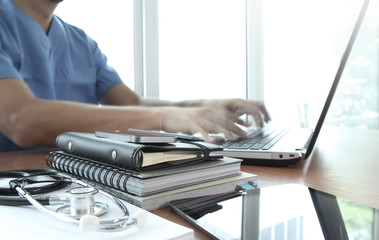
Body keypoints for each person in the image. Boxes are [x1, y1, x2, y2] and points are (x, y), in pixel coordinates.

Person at [0, 0, 270, 152]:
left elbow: (131, 104)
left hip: (73, 181)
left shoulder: (80, 41)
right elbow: (21, 120)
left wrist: (198, 108)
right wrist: (163, 118)